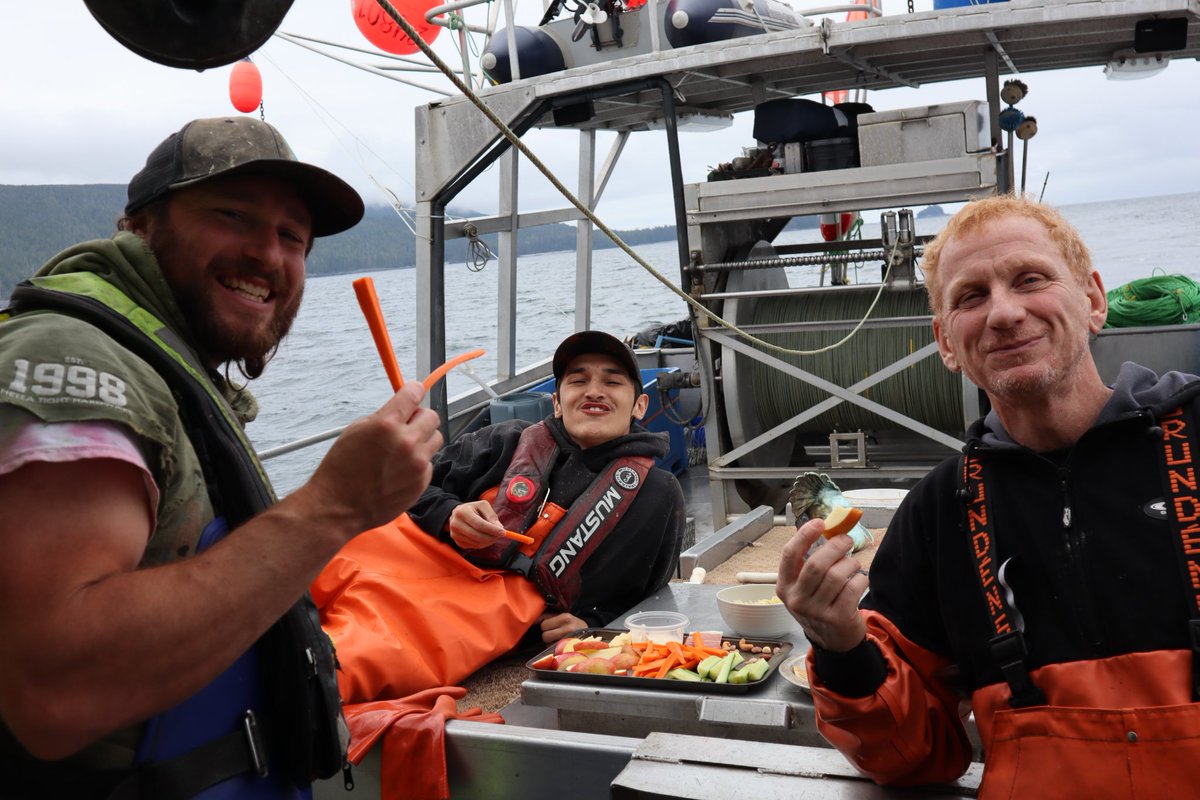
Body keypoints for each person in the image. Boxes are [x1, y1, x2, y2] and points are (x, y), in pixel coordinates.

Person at [0, 116, 443, 798]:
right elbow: (55, 692)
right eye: (233, 215)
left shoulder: (165, 365)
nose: (268, 254)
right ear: (141, 227)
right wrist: (337, 505)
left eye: (292, 236)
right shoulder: (70, 356)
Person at [776, 194, 1200, 798]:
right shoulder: (938, 513)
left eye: (1030, 279)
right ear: (946, 342)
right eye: (970, 297)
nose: (1003, 314)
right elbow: (909, 754)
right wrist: (839, 645)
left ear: (1093, 301)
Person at [313, 329, 687, 702]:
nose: (593, 391)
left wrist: (593, 624)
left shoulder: (658, 494)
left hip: (469, 613)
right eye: (578, 380)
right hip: (404, 555)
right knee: (297, 576)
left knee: (337, 662)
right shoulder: (503, 439)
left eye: (612, 381)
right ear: (557, 402)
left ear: (639, 406)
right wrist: (450, 514)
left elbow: (648, 600)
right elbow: (405, 488)